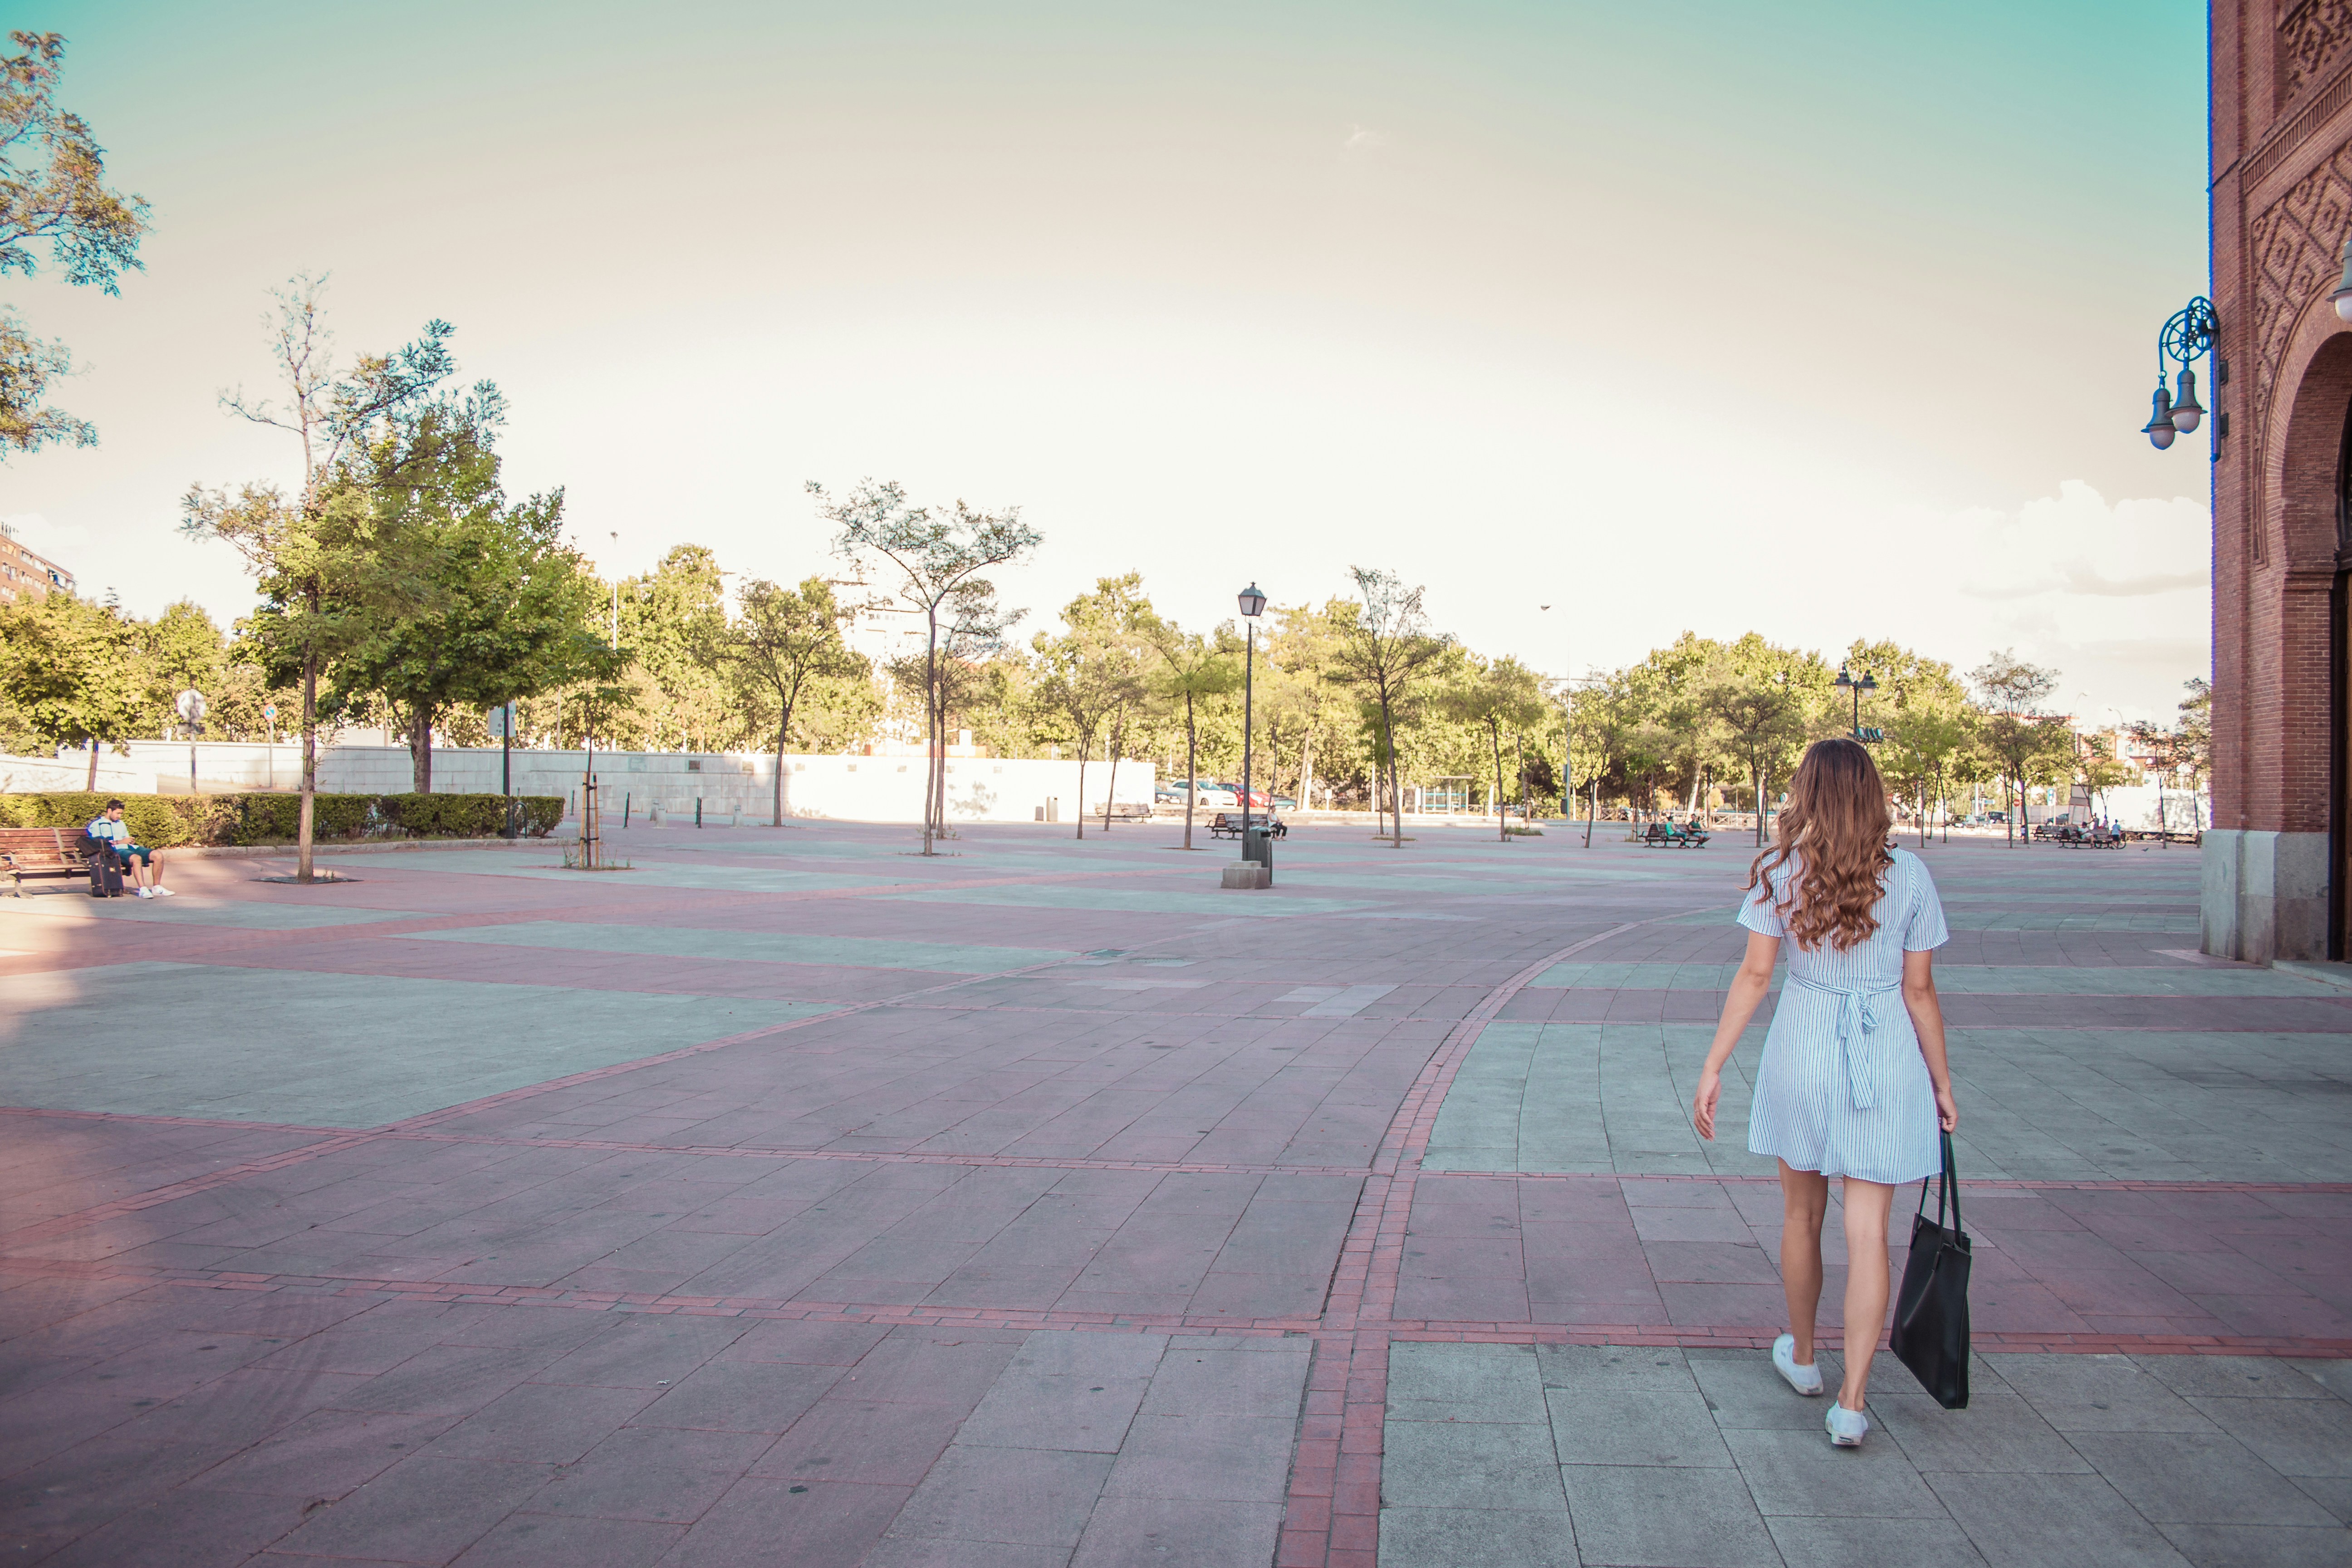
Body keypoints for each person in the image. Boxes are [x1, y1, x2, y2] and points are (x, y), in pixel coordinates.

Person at [1689, 738, 1956, 1449]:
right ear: (1873, 795)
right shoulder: (1912, 876)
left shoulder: (1779, 871)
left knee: (1801, 1215)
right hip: (1887, 1053)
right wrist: (1942, 1081)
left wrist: (1714, 1065)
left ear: (1806, 794)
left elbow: (1754, 977)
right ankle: (1853, 1402)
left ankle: (1805, 1359)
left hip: (1803, 1048)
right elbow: (1920, 989)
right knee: (1868, 1233)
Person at [87, 800, 173, 898]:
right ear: (109, 810)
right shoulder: (97, 825)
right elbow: (98, 844)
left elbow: (125, 838)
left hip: (129, 848)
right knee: (136, 858)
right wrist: (119, 842)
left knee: (158, 855)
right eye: (118, 813)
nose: (119, 816)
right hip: (115, 851)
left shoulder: (121, 823)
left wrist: (130, 841)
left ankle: (157, 887)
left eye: (121, 814)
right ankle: (143, 889)